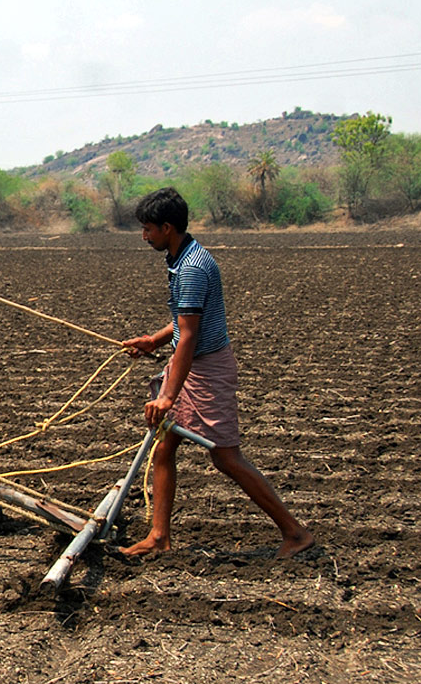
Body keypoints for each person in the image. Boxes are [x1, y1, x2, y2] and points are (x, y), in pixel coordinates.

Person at [120, 187, 314, 559]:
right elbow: (182, 323)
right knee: (164, 446)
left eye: (148, 230)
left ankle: (295, 533)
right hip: (189, 363)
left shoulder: (191, 268)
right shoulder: (181, 257)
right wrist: (153, 341)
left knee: (225, 457)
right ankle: (159, 536)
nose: (144, 237)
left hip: (205, 368)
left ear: (167, 227)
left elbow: (190, 337)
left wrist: (167, 395)